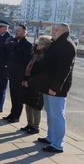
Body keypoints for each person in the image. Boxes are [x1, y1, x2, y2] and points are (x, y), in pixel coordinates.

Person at [38, 23, 76, 153]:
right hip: (48, 86)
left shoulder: (67, 45)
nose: (53, 31)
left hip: (56, 88)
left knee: (57, 115)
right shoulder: (57, 42)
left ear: (64, 31)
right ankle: (51, 137)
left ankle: (57, 144)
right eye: (54, 29)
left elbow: (64, 70)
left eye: (56, 30)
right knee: (50, 114)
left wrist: (55, 87)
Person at [21, 35, 52, 134]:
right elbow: (27, 68)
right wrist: (24, 80)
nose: (38, 44)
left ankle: (35, 127)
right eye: (38, 42)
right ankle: (29, 124)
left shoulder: (45, 57)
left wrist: (29, 82)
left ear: (46, 46)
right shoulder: (34, 54)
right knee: (28, 105)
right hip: (28, 83)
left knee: (36, 106)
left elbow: (41, 74)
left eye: (41, 44)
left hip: (37, 85)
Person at [5, 24, 32, 123]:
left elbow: (27, 63)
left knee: (19, 97)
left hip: (20, 76)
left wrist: (25, 78)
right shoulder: (14, 43)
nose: (16, 32)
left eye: (19, 31)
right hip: (12, 74)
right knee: (13, 95)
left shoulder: (27, 45)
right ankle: (12, 113)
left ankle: (16, 116)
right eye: (16, 30)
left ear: (24, 33)